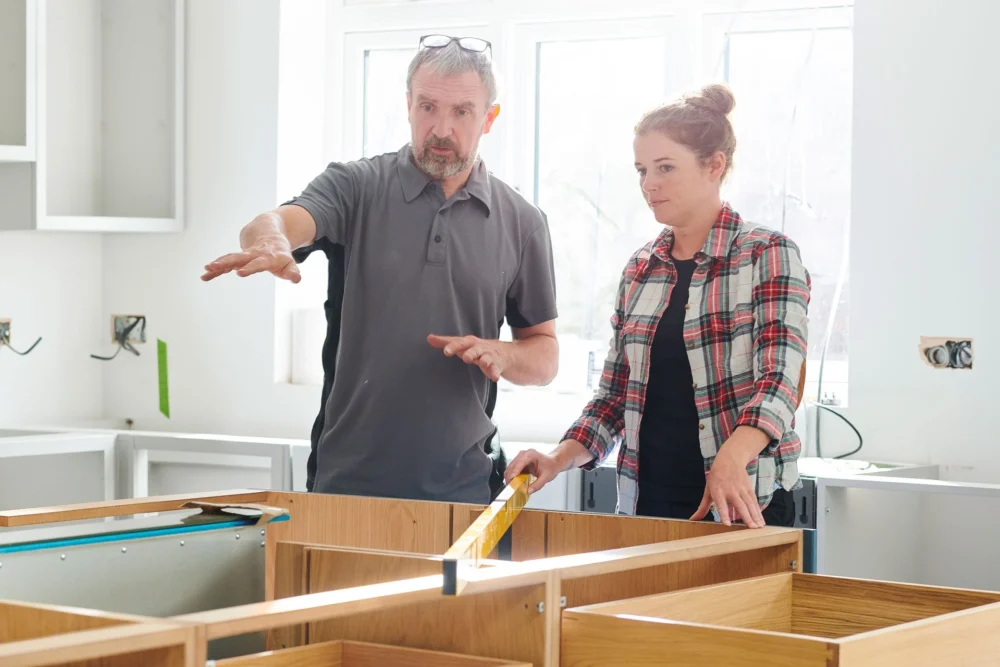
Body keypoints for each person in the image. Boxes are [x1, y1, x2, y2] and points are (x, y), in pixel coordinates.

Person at [202, 34, 560, 505]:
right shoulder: (356, 187)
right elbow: (280, 221)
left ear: (489, 118)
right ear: (408, 104)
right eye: (428, 106)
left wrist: (503, 355)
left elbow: (545, 356)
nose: (441, 129)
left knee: (452, 585)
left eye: (461, 112)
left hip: (466, 490)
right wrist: (270, 238)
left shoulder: (522, 222)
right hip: (346, 483)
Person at [505, 84, 810, 528]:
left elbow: (780, 381)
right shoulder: (640, 270)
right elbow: (612, 399)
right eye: (642, 170)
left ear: (714, 166)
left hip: (744, 503)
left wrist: (732, 455)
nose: (649, 184)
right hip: (647, 505)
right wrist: (557, 459)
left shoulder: (767, 254)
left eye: (665, 167)